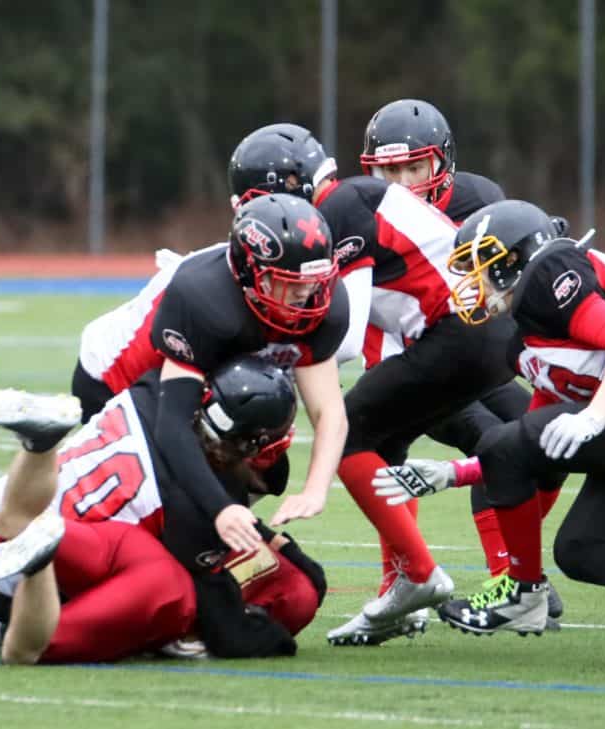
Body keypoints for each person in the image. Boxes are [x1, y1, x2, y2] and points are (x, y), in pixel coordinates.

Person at [373, 200, 605, 664]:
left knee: (504, 446)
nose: (474, 283)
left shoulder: (549, 271)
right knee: (578, 549)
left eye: (482, 267)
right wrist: (453, 473)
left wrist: (592, 418)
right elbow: (530, 446)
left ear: (513, 259)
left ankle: (524, 595)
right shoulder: (525, 339)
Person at [229, 123, 523, 646]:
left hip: (463, 329)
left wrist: (275, 352)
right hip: (476, 330)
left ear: (293, 182)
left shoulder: (341, 208)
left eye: (265, 197)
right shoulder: (351, 202)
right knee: (385, 449)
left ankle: (420, 575)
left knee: (349, 433)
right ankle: (399, 597)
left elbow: (342, 333)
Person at [0, 356, 327, 663]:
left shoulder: (157, 386)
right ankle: (32, 631)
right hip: (23, 583)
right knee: (172, 592)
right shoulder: (195, 515)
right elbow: (213, 613)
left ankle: (38, 452)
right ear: (246, 447)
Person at [359, 98, 566, 624]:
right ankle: (496, 579)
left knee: (539, 436)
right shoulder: (363, 211)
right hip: (407, 360)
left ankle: (520, 573)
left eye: (415, 166)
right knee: (491, 446)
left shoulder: (478, 200)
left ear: (442, 162)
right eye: (389, 170)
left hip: (474, 351)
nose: (402, 182)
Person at [72, 193, 349, 554]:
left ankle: (200, 538)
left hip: (207, 375)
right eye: (291, 280)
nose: (307, 292)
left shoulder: (322, 301)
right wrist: (220, 508)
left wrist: (315, 489)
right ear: (251, 272)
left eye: (314, 278)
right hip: (117, 380)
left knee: (269, 462)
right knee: (165, 502)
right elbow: (172, 424)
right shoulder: (206, 298)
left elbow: (328, 410)